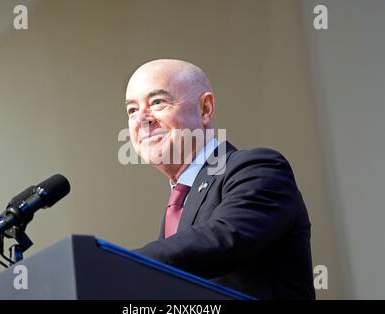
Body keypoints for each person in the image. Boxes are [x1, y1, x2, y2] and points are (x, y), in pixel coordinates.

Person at [125, 59, 315, 300]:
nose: (142, 119)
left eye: (157, 102)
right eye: (132, 110)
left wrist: (117, 265)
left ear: (205, 109)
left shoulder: (259, 168)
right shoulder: (178, 203)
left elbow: (222, 239)